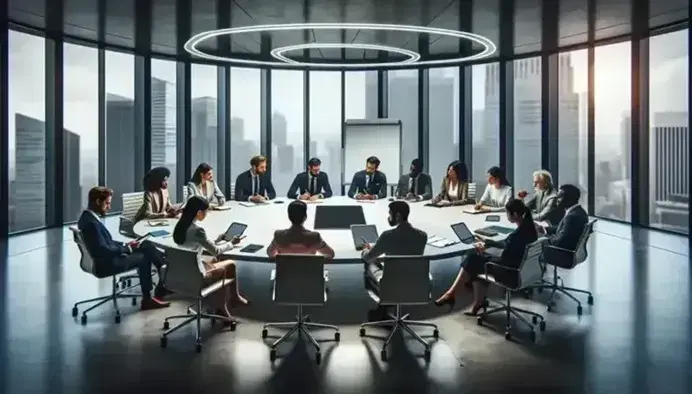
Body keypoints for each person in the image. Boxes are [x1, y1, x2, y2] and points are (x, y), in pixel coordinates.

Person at [435, 199, 538, 315]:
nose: (507, 216)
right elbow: (507, 245)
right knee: (477, 260)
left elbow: (505, 257)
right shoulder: (529, 229)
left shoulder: (517, 236)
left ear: (514, 214)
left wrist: (485, 252)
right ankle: (475, 301)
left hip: (509, 273)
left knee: (473, 259)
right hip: (520, 269)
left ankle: (452, 295)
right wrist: (487, 242)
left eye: (507, 213)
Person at [78, 186, 171, 310]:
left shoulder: (87, 218)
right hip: (107, 263)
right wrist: (127, 249)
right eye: (107, 203)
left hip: (106, 258)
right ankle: (149, 297)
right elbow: (103, 250)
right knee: (144, 257)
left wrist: (125, 245)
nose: (109, 207)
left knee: (146, 245)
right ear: (98, 202)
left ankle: (162, 274)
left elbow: (106, 243)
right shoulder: (91, 224)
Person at [172, 196, 249, 319]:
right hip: (196, 274)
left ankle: (219, 303)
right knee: (230, 265)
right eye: (205, 211)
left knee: (216, 262)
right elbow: (216, 251)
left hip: (183, 270)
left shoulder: (180, 226)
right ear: (198, 213)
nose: (207, 214)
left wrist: (216, 240)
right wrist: (231, 244)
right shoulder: (198, 231)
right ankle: (227, 304)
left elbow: (196, 244)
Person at [361, 201, 427, 320]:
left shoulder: (388, 235)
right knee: (385, 264)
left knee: (370, 263)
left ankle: (383, 305)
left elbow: (367, 257)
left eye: (390, 214)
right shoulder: (422, 235)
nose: (388, 217)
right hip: (414, 283)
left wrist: (366, 249)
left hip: (391, 282)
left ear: (397, 216)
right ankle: (389, 302)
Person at [267, 200, 335, 258]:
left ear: (289, 217)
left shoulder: (279, 236)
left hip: (285, 273)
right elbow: (330, 254)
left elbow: (270, 253)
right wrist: (315, 261)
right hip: (309, 273)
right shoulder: (314, 237)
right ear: (305, 217)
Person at [537, 184, 588, 251]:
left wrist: (544, 238)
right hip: (566, 251)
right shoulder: (578, 211)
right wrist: (545, 229)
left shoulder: (572, 217)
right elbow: (564, 228)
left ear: (569, 199)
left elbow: (558, 243)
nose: (557, 199)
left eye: (560, 196)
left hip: (561, 253)